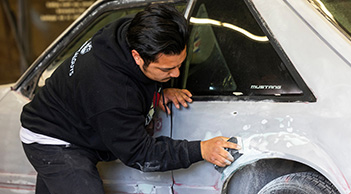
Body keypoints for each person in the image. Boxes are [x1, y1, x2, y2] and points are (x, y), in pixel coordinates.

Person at [20, 4, 239, 194]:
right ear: (136, 56)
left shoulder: (132, 31)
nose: (176, 74)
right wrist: (200, 150)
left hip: (82, 121)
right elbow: (141, 154)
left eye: (179, 64)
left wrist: (157, 92)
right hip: (54, 139)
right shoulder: (113, 95)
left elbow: (138, 78)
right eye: (167, 69)